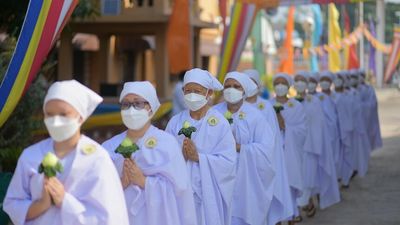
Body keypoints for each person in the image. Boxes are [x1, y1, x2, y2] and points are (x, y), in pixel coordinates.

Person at [3, 80, 129, 225]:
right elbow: (13, 204)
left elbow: (110, 216)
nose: (55, 120)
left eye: (63, 114)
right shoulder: (31, 156)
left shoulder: (97, 159)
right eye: (49, 114)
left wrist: (64, 201)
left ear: (80, 117)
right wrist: (41, 205)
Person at [102, 81, 196, 225]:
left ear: (151, 109)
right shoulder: (109, 147)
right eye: (126, 104)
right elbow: (98, 192)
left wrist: (144, 182)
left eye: (138, 103)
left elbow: (180, 192)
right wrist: (121, 184)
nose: (131, 109)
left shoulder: (167, 144)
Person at [165, 68, 237, 225]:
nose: (192, 95)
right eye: (188, 90)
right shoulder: (175, 122)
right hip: (181, 193)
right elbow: (164, 158)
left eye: (197, 91)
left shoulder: (220, 123)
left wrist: (199, 158)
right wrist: (181, 156)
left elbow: (229, 162)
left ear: (208, 93)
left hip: (207, 195)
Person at [213, 71, 276, 225]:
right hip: (219, 176)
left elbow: (266, 148)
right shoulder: (213, 113)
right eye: (227, 86)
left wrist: (239, 147)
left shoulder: (255, 116)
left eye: (236, 86)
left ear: (244, 91)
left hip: (246, 180)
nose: (230, 89)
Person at [243, 69, 293, 225]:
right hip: (244, 162)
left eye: (253, 82)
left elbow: (273, 139)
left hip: (264, 160)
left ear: (258, 85)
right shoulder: (236, 108)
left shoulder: (266, 107)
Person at [294, 71, 340, 214]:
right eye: (297, 80)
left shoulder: (314, 101)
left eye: (303, 80)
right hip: (295, 148)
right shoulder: (291, 102)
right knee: (298, 178)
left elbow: (319, 123)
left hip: (311, 146)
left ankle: (303, 204)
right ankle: (304, 204)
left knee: (308, 178)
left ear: (307, 83)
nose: (300, 83)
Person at [270, 73, 305, 225]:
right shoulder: (266, 105)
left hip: (290, 152)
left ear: (289, 85)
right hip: (273, 153)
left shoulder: (296, 106)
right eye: (277, 83)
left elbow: (302, 130)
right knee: (274, 183)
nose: (280, 86)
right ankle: (275, 216)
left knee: (289, 182)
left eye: (283, 83)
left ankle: (291, 214)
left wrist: (286, 127)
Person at [332, 71, 354, 187]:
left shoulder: (348, 96)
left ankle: (346, 177)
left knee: (346, 153)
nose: (337, 81)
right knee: (336, 156)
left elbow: (351, 113)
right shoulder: (331, 96)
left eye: (340, 78)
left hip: (346, 129)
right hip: (334, 131)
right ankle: (337, 178)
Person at [358, 69, 382, 151]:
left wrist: (362, 106)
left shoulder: (369, 89)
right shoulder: (353, 91)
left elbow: (373, 103)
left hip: (367, 118)